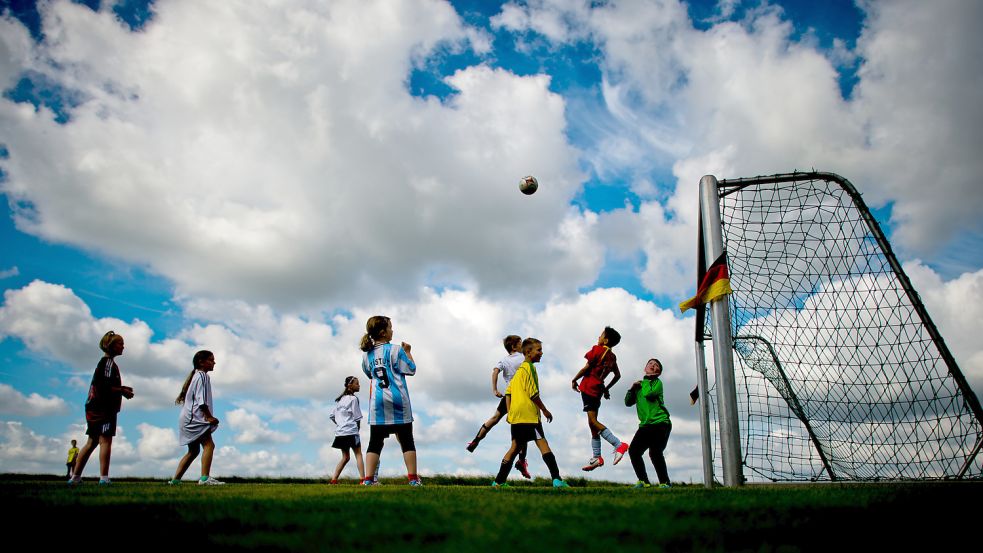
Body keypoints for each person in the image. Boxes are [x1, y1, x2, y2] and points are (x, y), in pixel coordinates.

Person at [492, 337, 569, 488]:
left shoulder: (519, 372)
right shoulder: (530, 368)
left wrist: (510, 412)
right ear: (528, 352)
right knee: (543, 444)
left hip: (517, 416)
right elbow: (533, 393)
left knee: (514, 448)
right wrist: (545, 410)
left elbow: (509, 392)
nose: (541, 353)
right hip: (529, 416)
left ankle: (498, 482)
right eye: (538, 350)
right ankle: (557, 480)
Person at [359, 316, 421, 486]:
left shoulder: (366, 356)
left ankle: (368, 480)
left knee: (375, 442)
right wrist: (408, 352)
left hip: (377, 403)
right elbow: (411, 369)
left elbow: (369, 374)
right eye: (390, 328)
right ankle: (413, 479)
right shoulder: (395, 350)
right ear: (383, 332)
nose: (392, 330)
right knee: (407, 439)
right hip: (398, 400)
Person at [69, 331, 135, 485]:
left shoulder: (105, 363)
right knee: (105, 440)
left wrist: (121, 388)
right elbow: (102, 386)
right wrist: (121, 391)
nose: (123, 346)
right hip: (103, 408)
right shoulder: (108, 363)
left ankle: (75, 478)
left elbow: (104, 384)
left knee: (91, 441)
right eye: (120, 343)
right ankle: (104, 478)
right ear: (111, 346)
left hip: (94, 407)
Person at [465, 335, 531, 478]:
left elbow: (495, 371)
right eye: (520, 343)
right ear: (514, 347)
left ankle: (475, 441)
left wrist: (494, 389)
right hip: (521, 397)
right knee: (523, 429)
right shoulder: (523, 357)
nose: (522, 345)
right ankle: (521, 461)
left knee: (494, 418)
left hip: (508, 394)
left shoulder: (504, 360)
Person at [570, 326, 629, 471]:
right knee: (592, 425)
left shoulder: (597, 350)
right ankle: (597, 457)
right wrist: (606, 388)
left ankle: (618, 444)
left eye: (601, 335)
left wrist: (574, 379)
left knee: (593, 421)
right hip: (598, 391)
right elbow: (617, 376)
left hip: (589, 388)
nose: (599, 337)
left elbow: (586, 368)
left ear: (606, 340)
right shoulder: (612, 357)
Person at [169, 350, 224, 485]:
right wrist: (209, 417)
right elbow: (201, 401)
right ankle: (205, 478)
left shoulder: (195, 376)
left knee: (193, 451)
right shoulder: (203, 376)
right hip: (195, 418)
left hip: (187, 418)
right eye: (211, 360)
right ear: (201, 362)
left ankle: (175, 480)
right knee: (209, 444)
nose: (214, 362)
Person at [624, 358, 672, 488]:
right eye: (650, 364)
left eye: (656, 365)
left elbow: (648, 394)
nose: (653, 365)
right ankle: (644, 481)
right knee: (634, 451)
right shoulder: (639, 387)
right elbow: (627, 402)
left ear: (658, 372)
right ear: (645, 368)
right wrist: (632, 389)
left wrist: (645, 380)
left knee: (655, 452)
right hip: (645, 425)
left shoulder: (657, 383)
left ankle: (665, 483)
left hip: (661, 422)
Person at [329, 376, 365, 484]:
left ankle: (334, 480)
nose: (359, 385)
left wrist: (340, 424)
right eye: (357, 383)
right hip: (351, 432)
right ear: (350, 385)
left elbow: (332, 416)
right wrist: (357, 429)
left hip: (340, 433)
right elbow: (357, 417)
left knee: (345, 457)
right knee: (358, 454)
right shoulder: (353, 399)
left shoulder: (340, 400)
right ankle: (363, 480)